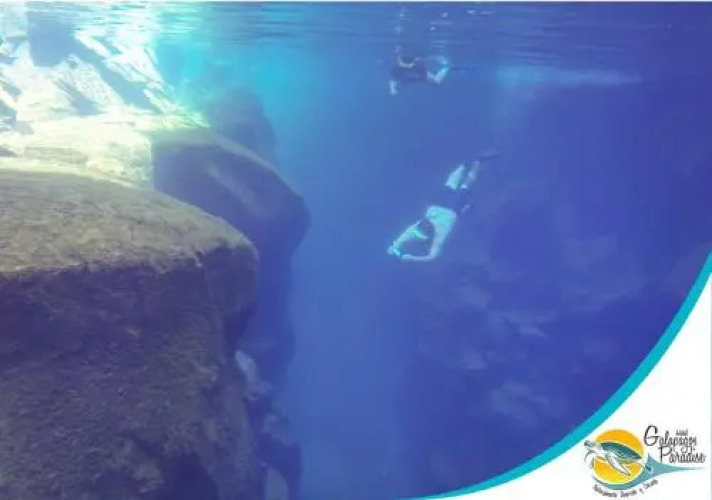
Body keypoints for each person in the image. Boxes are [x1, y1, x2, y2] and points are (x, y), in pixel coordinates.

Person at [387, 152, 496, 262]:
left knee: (453, 184)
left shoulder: (415, 230)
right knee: (463, 185)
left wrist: (394, 248)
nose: (421, 227)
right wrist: (411, 257)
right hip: (450, 210)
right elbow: (431, 257)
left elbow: (399, 242)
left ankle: (464, 164)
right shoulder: (438, 234)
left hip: (440, 206)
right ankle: (476, 162)